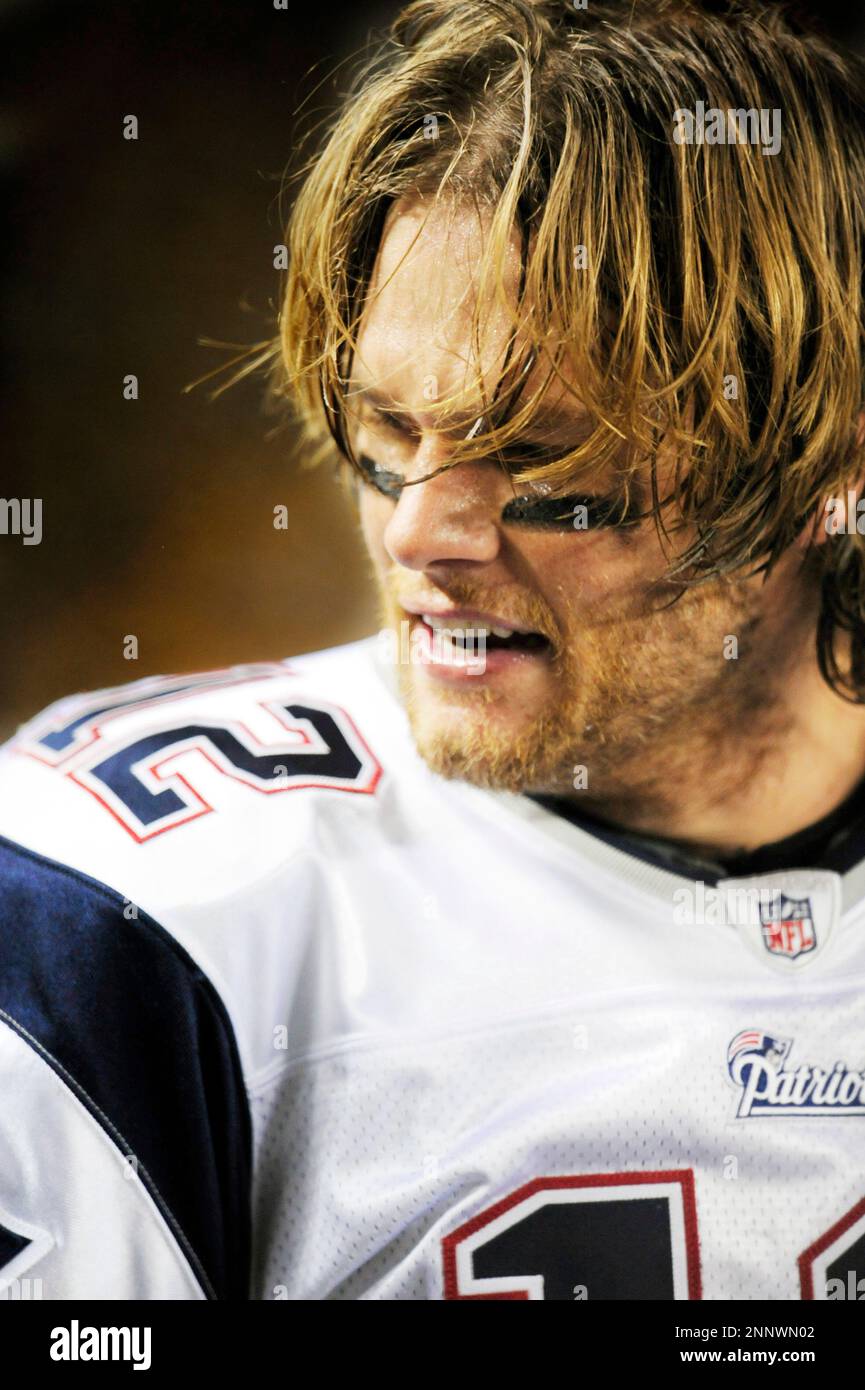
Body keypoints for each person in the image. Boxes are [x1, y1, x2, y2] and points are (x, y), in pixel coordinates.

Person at [1, 0, 864, 1301]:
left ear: (828, 471)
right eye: (390, 433)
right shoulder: (127, 918)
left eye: (541, 455)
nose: (422, 530)